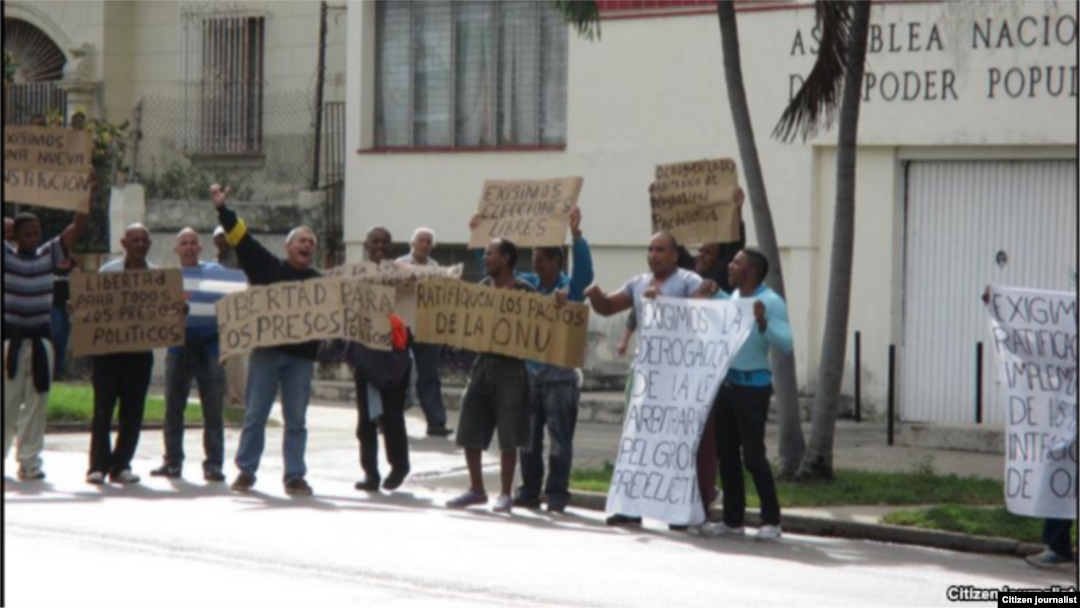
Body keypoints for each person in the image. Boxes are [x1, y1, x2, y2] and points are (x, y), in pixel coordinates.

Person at [586, 232, 706, 528]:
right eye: (650, 249)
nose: (653, 255)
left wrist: (664, 302)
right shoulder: (638, 283)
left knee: (675, 443)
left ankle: (678, 511)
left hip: (677, 375)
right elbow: (608, 307)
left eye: (660, 250)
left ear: (675, 255)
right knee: (637, 441)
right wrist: (595, 295)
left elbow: (701, 310)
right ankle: (630, 507)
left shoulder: (688, 280)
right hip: (645, 375)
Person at [212, 185, 321, 497]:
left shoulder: (321, 283)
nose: (307, 245)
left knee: (296, 420)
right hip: (266, 354)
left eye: (311, 242)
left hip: (300, 360)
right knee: (255, 415)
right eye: (302, 240)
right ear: (288, 246)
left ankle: (295, 475)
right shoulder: (268, 268)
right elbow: (242, 241)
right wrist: (223, 210)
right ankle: (246, 471)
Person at [700, 248, 793, 542]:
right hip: (727, 386)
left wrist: (764, 323)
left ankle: (771, 520)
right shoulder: (737, 296)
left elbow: (786, 343)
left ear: (751, 271)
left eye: (736, 263)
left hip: (753, 389)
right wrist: (715, 293)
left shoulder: (771, 302)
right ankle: (733, 520)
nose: (729, 266)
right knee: (726, 455)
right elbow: (731, 313)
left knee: (753, 456)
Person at [512, 209, 594, 513]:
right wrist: (483, 239)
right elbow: (500, 277)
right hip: (530, 377)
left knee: (560, 441)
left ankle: (557, 493)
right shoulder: (527, 286)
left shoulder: (571, 288)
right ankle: (529, 490)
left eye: (541, 261)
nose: (536, 265)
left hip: (561, 380)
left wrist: (577, 236)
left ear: (556, 262)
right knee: (527, 441)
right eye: (533, 260)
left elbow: (586, 273)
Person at [446, 239, 535, 514]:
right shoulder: (483, 288)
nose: (484, 258)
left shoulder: (524, 291)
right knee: (469, 425)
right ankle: (477, 489)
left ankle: (505, 494)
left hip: (511, 370)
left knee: (508, 434)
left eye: (490, 254)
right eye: (484, 254)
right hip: (482, 366)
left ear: (506, 258)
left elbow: (539, 325)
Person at [5, 207, 90, 482]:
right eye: (26, 234)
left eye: (36, 233)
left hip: (41, 340)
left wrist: (86, 197)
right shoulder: (6, 255)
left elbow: (76, 228)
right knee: (7, 402)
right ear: (15, 236)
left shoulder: (49, 254)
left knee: (37, 403)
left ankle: (29, 461)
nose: (33, 238)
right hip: (10, 341)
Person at [149, 228, 229, 483]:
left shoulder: (217, 273)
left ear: (200, 248)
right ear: (176, 249)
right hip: (178, 349)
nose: (189, 247)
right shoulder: (166, 279)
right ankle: (172, 461)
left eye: (193, 243)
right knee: (173, 409)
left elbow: (235, 303)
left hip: (211, 350)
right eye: (184, 243)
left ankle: (214, 464)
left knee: (213, 411)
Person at [88, 224, 158, 485]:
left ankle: (120, 465)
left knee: (133, 412)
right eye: (134, 240)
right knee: (103, 410)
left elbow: (163, 313)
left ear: (149, 244)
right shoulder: (108, 273)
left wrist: (176, 311)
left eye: (143, 240)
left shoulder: (158, 277)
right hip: (108, 355)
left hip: (140, 355)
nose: (139, 244)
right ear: (124, 244)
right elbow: (94, 308)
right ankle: (97, 466)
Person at [352, 227, 413, 493]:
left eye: (384, 242)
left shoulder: (403, 275)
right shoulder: (356, 276)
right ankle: (370, 473)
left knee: (392, 417)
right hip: (365, 357)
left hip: (394, 357)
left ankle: (399, 466)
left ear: (391, 246)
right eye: (375, 241)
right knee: (365, 421)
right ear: (366, 246)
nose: (380, 246)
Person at [396, 228, 452, 437]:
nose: (425, 244)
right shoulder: (399, 264)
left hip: (425, 327)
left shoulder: (435, 268)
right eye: (421, 240)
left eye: (429, 241)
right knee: (398, 374)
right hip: (402, 326)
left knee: (429, 375)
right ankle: (392, 419)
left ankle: (436, 423)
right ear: (412, 243)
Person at [214, 225, 247, 409]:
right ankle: (226, 399)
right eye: (219, 237)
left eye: (225, 236)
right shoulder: (217, 260)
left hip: (237, 315)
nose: (222, 240)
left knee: (235, 360)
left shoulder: (239, 257)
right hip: (221, 315)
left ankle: (237, 400)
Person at [49, 254, 76, 380]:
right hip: (53, 305)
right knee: (57, 334)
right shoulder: (51, 263)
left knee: (64, 338)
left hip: (68, 306)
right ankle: (52, 368)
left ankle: (59, 371)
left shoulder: (73, 264)